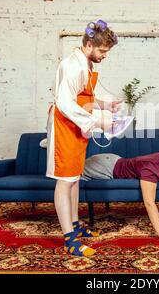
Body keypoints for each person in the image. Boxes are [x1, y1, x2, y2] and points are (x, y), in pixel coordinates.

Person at [46, 19, 120, 257]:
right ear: (89, 44)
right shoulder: (72, 66)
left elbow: (82, 97)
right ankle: (69, 239)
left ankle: (75, 225)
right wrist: (99, 120)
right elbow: (65, 103)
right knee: (65, 180)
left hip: (78, 127)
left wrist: (104, 104)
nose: (105, 56)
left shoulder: (85, 64)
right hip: (65, 126)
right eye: (102, 51)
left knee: (75, 178)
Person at [82, 149, 159, 247]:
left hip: (112, 159)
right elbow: (149, 203)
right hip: (104, 166)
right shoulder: (151, 170)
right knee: (71, 176)